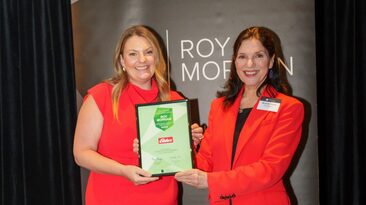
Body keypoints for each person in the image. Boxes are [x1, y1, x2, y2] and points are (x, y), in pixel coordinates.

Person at [73, 25, 203, 205]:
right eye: (133, 54)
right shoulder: (102, 95)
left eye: (148, 52)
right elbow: (81, 153)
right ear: (122, 61)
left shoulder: (172, 99)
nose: (142, 60)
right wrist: (123, 170)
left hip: (163, 200)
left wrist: (189, 142)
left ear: (156, 58)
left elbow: (179, 161)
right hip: (110, 199)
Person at [175, 26, 304, 205]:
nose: (249, 64)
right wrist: (184, 146)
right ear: (235, 61)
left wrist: (211, 181)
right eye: (242, 56)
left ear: (272, 60)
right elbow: (205, 163)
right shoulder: (219, 107)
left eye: (259, 56)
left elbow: (270, 169)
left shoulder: (289, 108)